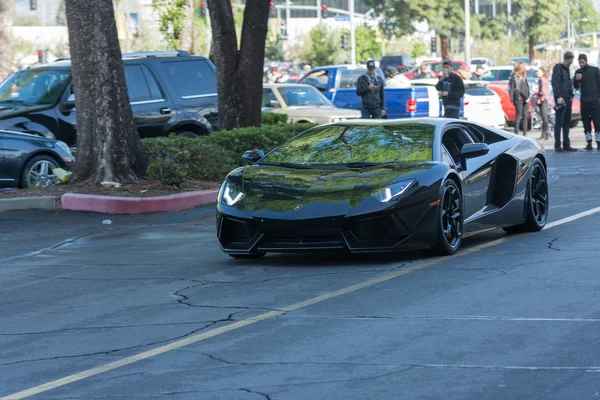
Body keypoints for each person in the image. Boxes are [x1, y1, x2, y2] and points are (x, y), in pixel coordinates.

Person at [551, 51, 577, 152]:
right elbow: (555, 83)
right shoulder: (558, 68)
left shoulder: (567, 69)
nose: (571, 62)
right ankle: (557, 145)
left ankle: (566, 144)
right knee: (559, 122)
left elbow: (568, 83)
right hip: (561, 99)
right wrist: (558, 96)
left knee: (567, 122)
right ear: (568, 59)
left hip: (568, 98)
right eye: (571, 60)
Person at [573, 54, 600, 151]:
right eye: (579, 62)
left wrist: (598, 98)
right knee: (586, 123)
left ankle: (599, 143)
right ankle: (589, 144)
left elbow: (599, 84)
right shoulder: (578, 72)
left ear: (586, 61)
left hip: (595, 102)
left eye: (582, 62)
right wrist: (577, 79)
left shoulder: (595, 70)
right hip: (584, 102)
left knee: (597, 124)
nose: (581, 64)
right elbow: (575, 86)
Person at [509, 61, 530, 136]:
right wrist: (526, 97)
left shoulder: (523, 76)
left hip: (525, 98)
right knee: (518, 115)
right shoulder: (515, 77)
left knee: (525, 116)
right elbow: (518, 89)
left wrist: (528, 96)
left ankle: (525, 133)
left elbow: (527, 87)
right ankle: (516, 132)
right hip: (519, 98)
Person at [535, 67, 552, 140]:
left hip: (544, 100)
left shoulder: (543, 80)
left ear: (542, 72)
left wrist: (539, 93)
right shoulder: (541, 80)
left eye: (538, 72)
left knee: (544, 117)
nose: (537, 73)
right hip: (542, 100)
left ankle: (547, 132)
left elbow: (544, 91)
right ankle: (543, 134)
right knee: (543, 117)